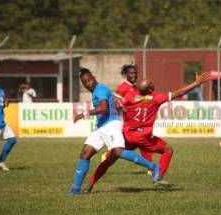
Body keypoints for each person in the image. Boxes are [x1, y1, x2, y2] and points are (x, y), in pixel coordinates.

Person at [85, 72, 210, 192]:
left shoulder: (130, 97)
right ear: (150, 89)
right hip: (143, 137)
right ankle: (158, 176)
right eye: (151, 83)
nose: (153, 83)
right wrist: (196, 83)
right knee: (168, 150)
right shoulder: (156, 98)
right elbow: (180, 92)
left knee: (109, 161)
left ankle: (90, 184)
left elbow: (117, 105)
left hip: (127, 136)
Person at [66, 67, 161, 196]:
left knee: (118, 151)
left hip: (111, 125)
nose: (88, 84)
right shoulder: (97, 90)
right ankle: (76, 190)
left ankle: (153, 166)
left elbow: (103, 108)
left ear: (94, 77)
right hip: (101, 127)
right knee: (85, 154)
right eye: (84, 83)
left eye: (89, 80)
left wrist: (83, 114)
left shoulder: (100, 90)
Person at [102, 64, 154, 168]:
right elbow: (117, 102)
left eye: (135, 73)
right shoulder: (122, 88)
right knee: (141, 141)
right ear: (126, 74)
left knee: (130, 145)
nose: (134, 75)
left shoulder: (135, 87)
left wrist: (149, 98)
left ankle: (108, 155)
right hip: (125, 121)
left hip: (133, 120)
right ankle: (150, 167)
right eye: (131, 73)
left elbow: (136, 99)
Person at [0, 69, 17, 171]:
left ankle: (0, 162)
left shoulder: (0, 90)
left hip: (2, 121)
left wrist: (5, 103)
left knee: (12, 140)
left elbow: (0, 104)